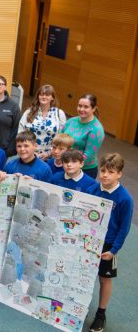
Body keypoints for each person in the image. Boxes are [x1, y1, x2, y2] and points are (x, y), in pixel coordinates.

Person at [85, 153, 133, 332]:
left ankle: (100, 314)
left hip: (108, 246)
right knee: (85, 276)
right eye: (103, 170)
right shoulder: (93, 190)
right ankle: (81, 306)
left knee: (104, 279)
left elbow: (124, 227)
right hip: (89, 241)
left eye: (111, 172)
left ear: (119, 174)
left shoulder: (125, 198)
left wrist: (114, 250)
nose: (105, 175)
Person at [18, 84, 66, 159]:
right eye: (41, 94)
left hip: (51, 155)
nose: (44, 97)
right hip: (29, 154)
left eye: (47, 95)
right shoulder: (29, 112)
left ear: (52, 97)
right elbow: (20, 132)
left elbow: (62, 137)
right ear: (38, 96)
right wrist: (30, 151)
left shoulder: (59, 114)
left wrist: (48, 153)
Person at [63, 94, 104, 179]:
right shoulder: (71, 121)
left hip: (84, 170)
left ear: (93, 109)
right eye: (80, 106)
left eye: (86, 107)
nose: (81, 109)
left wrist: (69, 166)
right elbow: (60, 140)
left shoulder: (96, 129)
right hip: (65, 165)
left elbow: (88, 155)